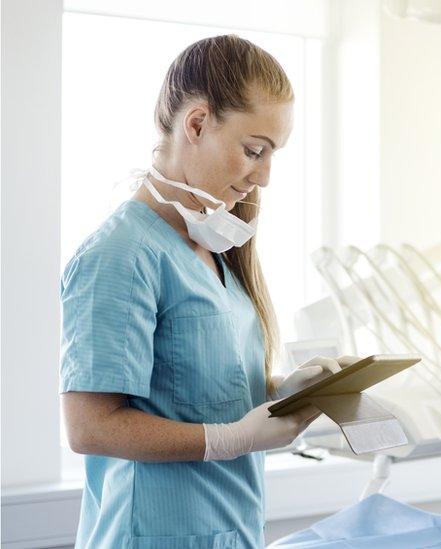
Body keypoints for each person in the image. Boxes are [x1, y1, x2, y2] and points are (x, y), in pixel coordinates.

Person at [59, 35, 347, 548]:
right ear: (195, 124)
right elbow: (91, 429)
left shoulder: (212, 248)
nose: (263, 176)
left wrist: (282, 392)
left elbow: (201, 392)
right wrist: (233, 439)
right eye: (254, 151)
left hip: (227, 530)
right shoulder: (121, 254)